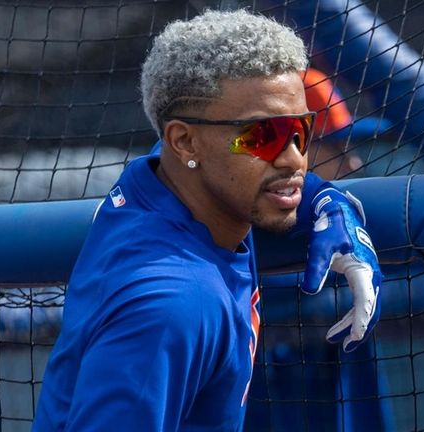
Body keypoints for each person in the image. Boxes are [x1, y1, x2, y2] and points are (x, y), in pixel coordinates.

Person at [32, 9, 381, 431]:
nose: (293, 157)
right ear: (185, 141)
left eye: (300, 131)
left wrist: (327, 201)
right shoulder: (172, 307)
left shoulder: (166, 189)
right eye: (262, 136)